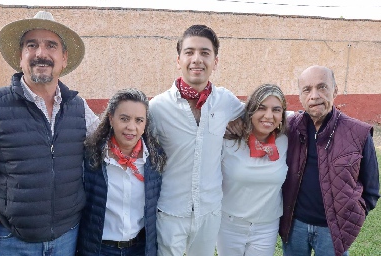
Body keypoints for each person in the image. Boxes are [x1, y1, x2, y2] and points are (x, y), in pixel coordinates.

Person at [0, 11, 99, 256]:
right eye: (32, 45)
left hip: (67, 239)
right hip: (11, 242)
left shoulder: (79, 108)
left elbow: (109, 146)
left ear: (64, 58)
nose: (41, 53)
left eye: (51, 45)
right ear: (20, 56)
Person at [149, 24, 244, 255]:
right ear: (178, 59)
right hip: (170, 211)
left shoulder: (226, 101)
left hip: (209, 211)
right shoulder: (157, 108)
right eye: (189, 52)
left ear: (215, 61)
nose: (197, 59)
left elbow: (258, 119)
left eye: (205, 53)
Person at [279, 65, 380, 256]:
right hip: (294, 227)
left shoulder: (358, 133)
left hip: (332, 232)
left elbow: (372, 190)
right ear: (300, 96)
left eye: (322, 87)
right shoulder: (290, 128)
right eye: (307, 90)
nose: (314, 95)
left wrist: (354, 215)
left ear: (335, 90)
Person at [76, 88, 167, 255]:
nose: (131, 127)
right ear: (111, 118)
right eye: (124, 119)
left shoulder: (154, 160)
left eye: (139, 120)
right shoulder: (92, 157)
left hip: (139, 249)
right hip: (99, 249)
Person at [217, 84, 288, 256]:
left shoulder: (286, 140)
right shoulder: (227, 140)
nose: (269, 116)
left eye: (276, 110)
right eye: (261, 108)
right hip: (229, 225)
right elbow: (216, 98)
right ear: (250, 111)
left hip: (267, 226)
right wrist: (231, 118)